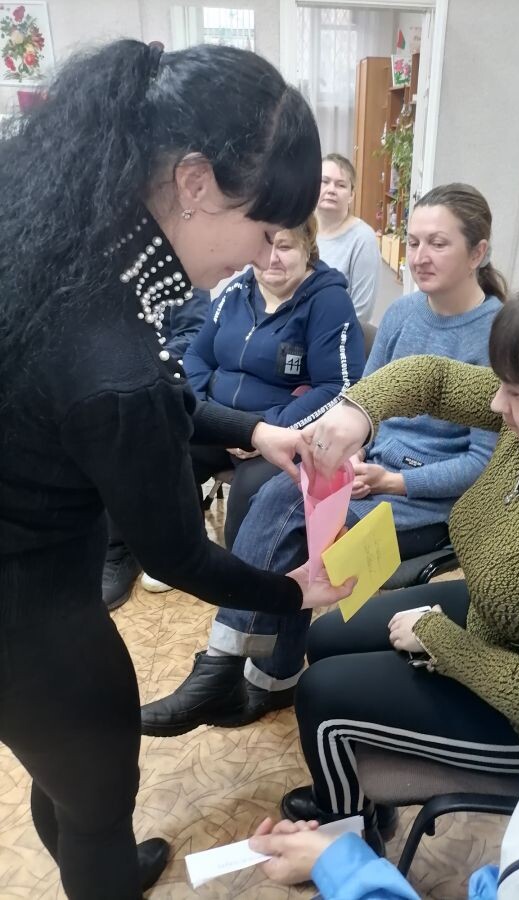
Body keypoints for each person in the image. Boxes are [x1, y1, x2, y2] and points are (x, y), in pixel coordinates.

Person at [0, 39, 354, 900]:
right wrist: (291, 592)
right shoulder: (110, 353)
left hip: (28, 585)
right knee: (97, 795)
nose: (264, 255)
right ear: (194, 182)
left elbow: (145, 396)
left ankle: (100, 859)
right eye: (262, 228)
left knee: (68, 778)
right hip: (30, 618)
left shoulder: (74, 242)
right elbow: (178, 553)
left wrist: (257, 429)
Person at [274, 273, 519, 847]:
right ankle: (357, 791)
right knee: (327, 635)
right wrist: (357, 411)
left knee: (322, 693)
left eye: (515, 392)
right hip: (493, 608)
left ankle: (349, 836)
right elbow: (432, 378)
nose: (495, 402)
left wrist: (441, 640)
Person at [140, 183, 505, 745]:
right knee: (292, 500)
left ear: (478, 251)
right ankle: (266, 675)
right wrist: (351, 452)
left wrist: (395, 481)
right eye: (412, 242)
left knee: (291, 515)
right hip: (370, 469)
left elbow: (483, 463)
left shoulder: (500, 334)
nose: (420, 257)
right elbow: (366, 403)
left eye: (439, 243)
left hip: (425, 498)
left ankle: (231, 663)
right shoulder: (404, 313)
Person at [248, 510, 519, 900]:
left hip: (511, 722)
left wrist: (341, 867)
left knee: (323, 690)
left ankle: (357, 826)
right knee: (328, 648)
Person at [185, 215, 365, 549]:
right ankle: (177, 552)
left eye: (285, 247)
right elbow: (196, 356)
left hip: (282, 432)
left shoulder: (328, 302)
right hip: (222, 422)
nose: (272, 258)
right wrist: (201, 411)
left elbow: (338, 387)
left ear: (307, 249)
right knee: (164, 452)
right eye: (263, 245)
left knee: (252, 494)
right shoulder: (237, 291)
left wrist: (265, 428)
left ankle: (241, 572)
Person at [103, 288, 211, 608]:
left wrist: (141, 363)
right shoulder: (99, 275)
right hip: (112, 380)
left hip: (165, 376)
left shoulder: (182, 273)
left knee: (131, 423)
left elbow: (194, 335)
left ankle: (159, 546)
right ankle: (116, 546)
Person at [316, 153, 380, 325]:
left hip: (336, 332)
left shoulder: (363, 239)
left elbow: (361, 313)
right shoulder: (299, 230)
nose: (331, 190)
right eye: (324, 181)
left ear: (351, 195)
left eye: (341, 185)